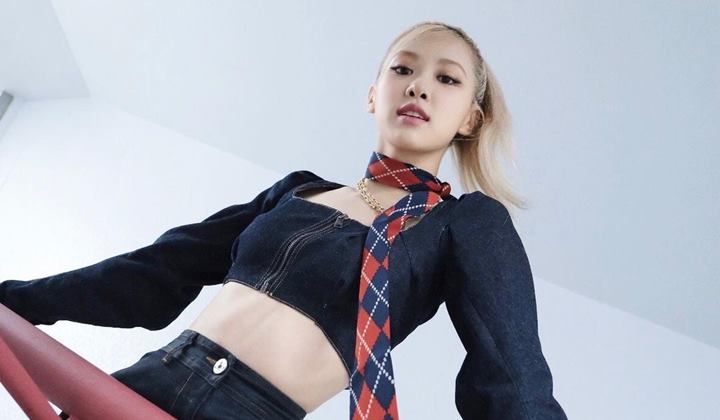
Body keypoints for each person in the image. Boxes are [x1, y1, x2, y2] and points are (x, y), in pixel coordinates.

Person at [0, 21, 568, 420]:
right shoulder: (297, 192)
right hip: (142, 384)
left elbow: (513, 375)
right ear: (373, 95)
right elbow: (155, 271)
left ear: (471, 119)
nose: (418, 84)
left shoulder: (465, 224)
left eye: (447, 79)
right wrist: (16, 299)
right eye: (403, 68)